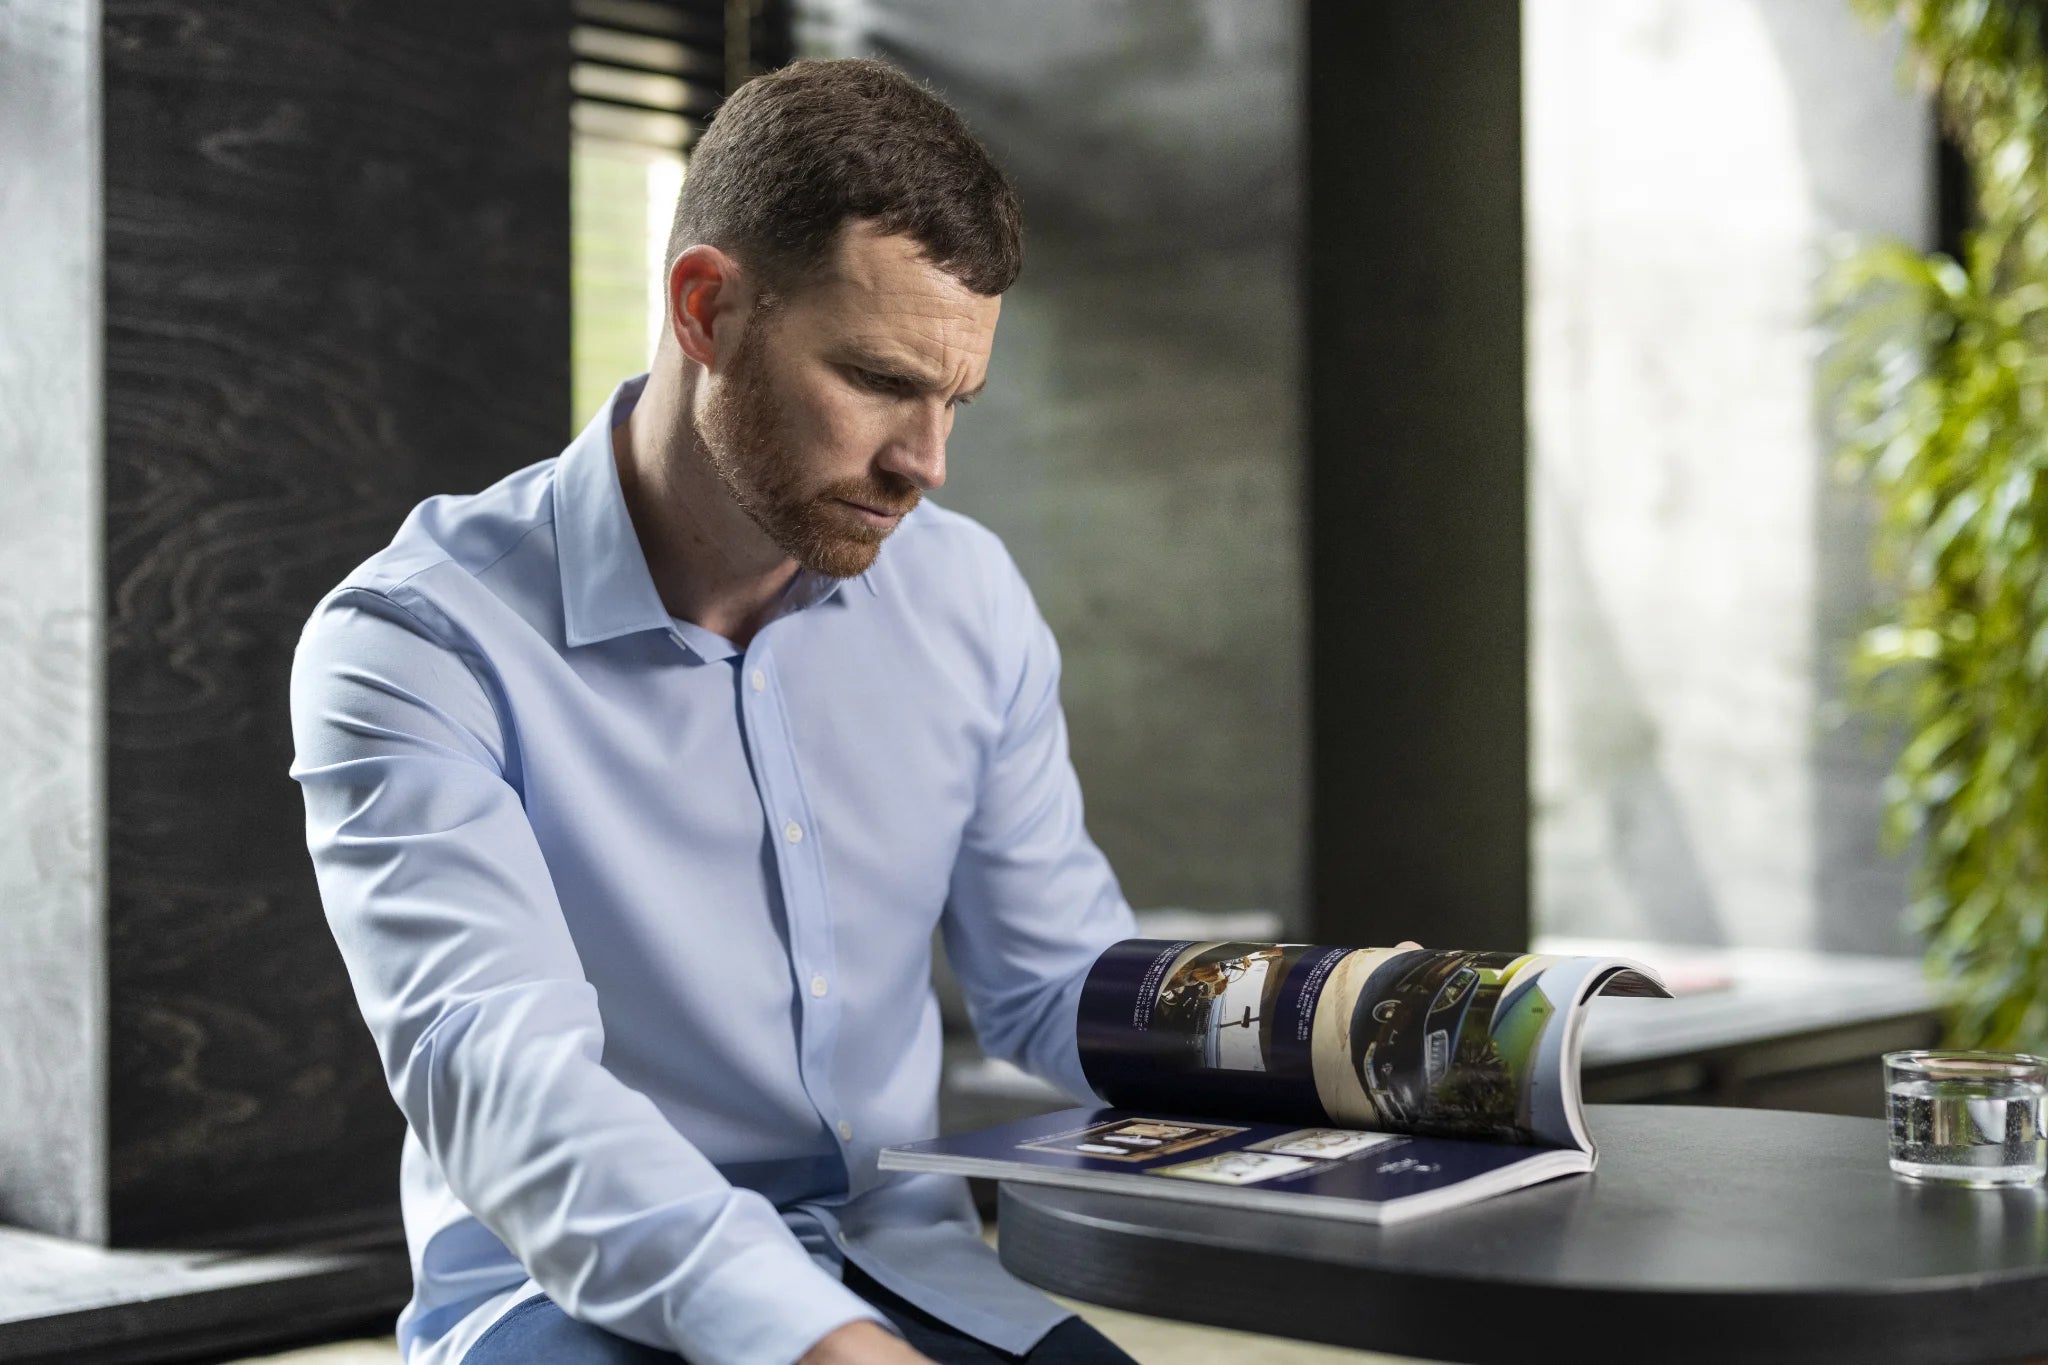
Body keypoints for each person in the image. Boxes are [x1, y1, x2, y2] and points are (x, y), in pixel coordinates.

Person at [289, 58, 1140, 1365]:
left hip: (909, 1264)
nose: (926, 462)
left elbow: (1056, 981)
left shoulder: (966, 597)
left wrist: (1359, 1038)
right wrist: (823, 1346)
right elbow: (513, 1087)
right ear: (707, 307)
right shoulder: (414, 642)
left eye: (953, 398)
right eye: (875, 380)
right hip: (564, 1293)